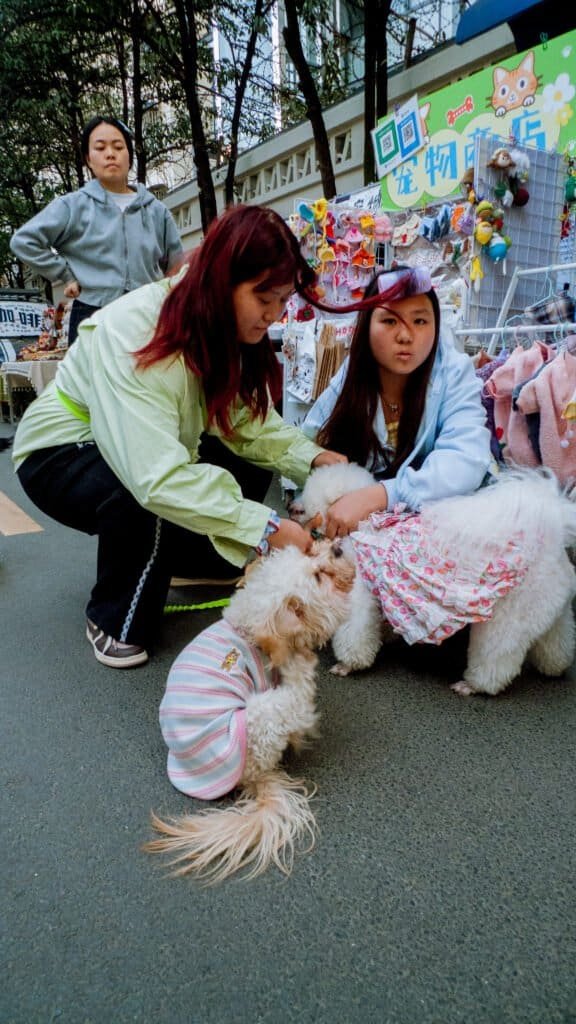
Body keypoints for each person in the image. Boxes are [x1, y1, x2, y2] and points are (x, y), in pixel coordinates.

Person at [12, 204, 346, 669]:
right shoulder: (133, 331)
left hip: (147, 447)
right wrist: (269, 528)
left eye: (283, 300)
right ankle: (112, 617)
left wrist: (313, 460)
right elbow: (155, 475)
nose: (273, 314)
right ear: (221, 279)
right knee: (140, 497)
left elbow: (249, 426)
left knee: (241, 460)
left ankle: (189, 563)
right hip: (59, 451)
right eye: (263, 297)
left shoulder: (220, 326)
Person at [302, 266, 493, 538]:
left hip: (434, 524)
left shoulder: (453, 372)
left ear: (436, 326)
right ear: (367, 326)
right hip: (356, 531)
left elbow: (465, 459)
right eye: (390, 321)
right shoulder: (351, 377)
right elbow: (310, 448)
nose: (405, 336)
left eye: (420, 321)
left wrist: (383, 494)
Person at [10, 116, 183, 344]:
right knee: (88, 381)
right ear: (88, 159)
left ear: (129, 156)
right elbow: (23, 241)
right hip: (91, 316)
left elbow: (176, 268)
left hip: (148, 318)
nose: (110, 153)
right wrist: (65, 275)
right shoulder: (73, 206)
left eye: (119, 147)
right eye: (100, 148)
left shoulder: (156, 211)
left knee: (151, 380)